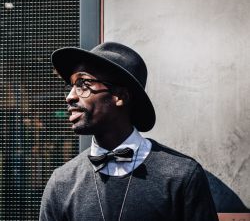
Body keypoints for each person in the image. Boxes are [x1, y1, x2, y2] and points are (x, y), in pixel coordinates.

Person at [39, 42, 218, 221]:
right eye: (70, 86)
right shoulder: (61, 183)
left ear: (120, 96)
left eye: (83, 84)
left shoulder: (181, 176)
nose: (70, 96)